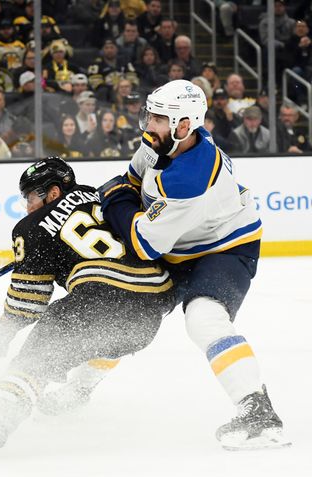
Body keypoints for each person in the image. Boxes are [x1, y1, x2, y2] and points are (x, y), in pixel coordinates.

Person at [98, 80, 290, 450]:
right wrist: (113, 197)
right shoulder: (163, 142)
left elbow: (144, 243)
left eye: (157, 118)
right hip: (179, 246)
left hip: (224, 249)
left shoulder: (192, 178)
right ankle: (78, 390)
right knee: (128, 314)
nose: (146, 125)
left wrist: (113, 202)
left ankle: (257, 410)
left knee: (204, 317)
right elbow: (131, 181)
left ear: (184, 125)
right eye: (149, 115)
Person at [0, 157, 174, 458]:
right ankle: (78, 392)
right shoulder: (98, 195)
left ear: (52, 193)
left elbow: (27, 303)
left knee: (35, 361)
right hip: (151, 312)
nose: (27, 206)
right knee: (103, 336)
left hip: (98, 303)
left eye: (31, 197)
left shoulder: (31, 227)